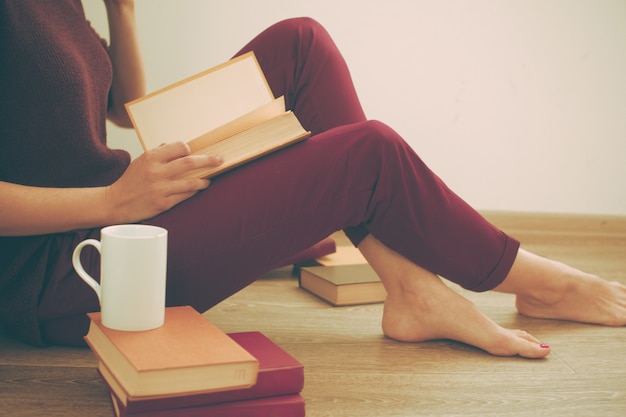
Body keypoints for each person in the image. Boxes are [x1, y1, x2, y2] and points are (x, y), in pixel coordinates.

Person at [1, 0, 624, 357]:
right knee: (369, 151)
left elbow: (121, 104)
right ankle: (537, 281)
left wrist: (123, 11)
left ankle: (410, 289)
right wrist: (114, 200)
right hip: (68, 270)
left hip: (125, 211)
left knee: (303, 43)